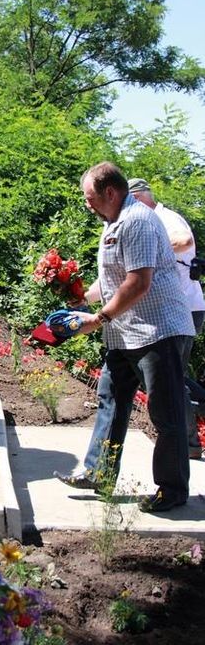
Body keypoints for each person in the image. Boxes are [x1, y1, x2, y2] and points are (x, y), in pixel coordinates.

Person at [54, 162, 195, 512]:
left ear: (110, 193)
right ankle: (98, 473)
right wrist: (82, 298)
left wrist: (98, 318)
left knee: (166, 414)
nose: (87, 205)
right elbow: (115, 277)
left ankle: (172, 490)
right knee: (111, 401)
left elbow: (139, 282)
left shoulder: (138, 221)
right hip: (125, 334)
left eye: (90, 198)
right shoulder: (114, 223)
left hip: (157, 331)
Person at [128, 177, 205, 459]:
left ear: (138, 198)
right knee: (176, 378)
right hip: (176, 311)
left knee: (172, 380)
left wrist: (150, 245)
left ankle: (190, 445)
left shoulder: (165, 218)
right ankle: (191, 440)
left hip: (185, 308)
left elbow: (185, 241)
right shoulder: (150, 220)